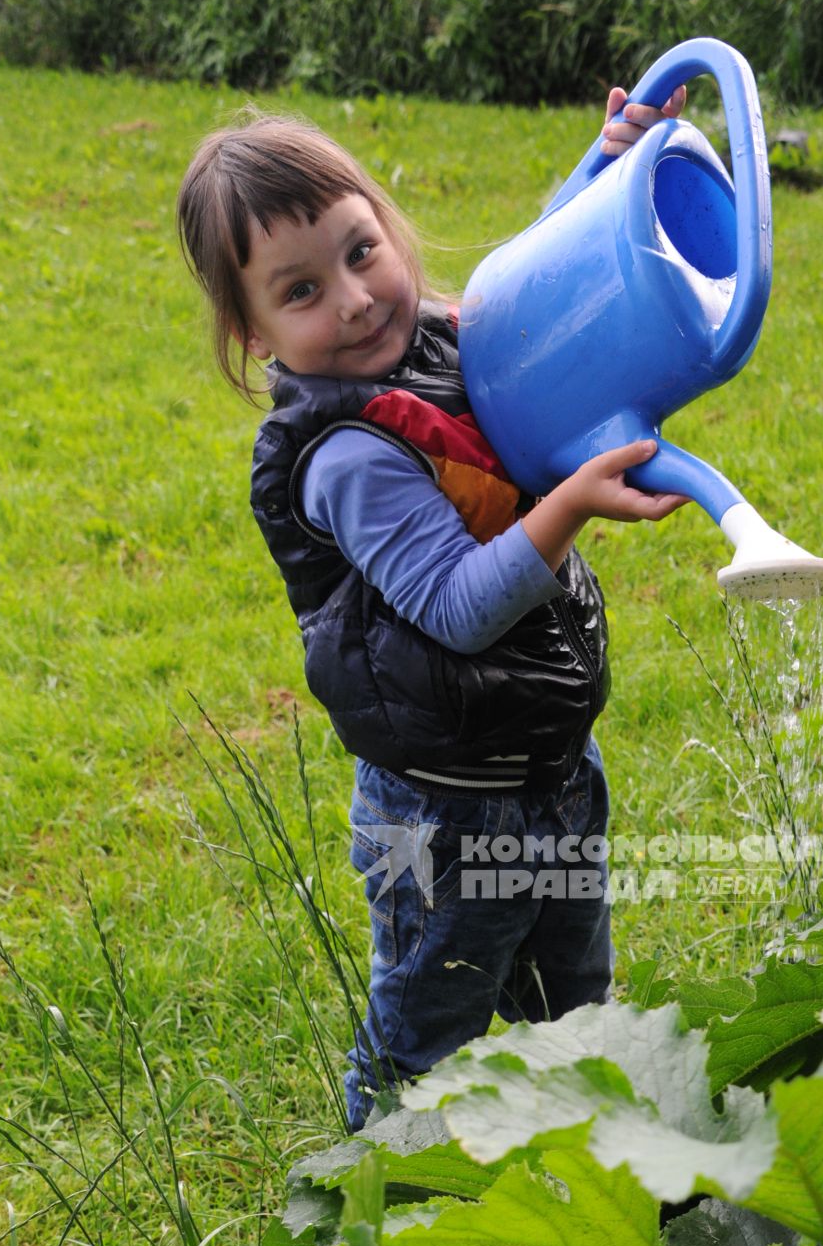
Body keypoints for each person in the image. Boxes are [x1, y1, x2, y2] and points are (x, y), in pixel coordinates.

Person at [176, 81, 688, 1131]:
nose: (357, 299)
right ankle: (369, 1226)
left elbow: (534, 281)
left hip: (550, 770)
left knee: (576, 1013)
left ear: (391, 230)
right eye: (303, 290)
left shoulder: (439, 336)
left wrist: (605, 161)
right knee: (424, 1041)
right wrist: (570, 509)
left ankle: (587, 1192)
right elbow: (458, 606)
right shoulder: (350, 454)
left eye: (363, 252)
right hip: (442, 815)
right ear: (254, 330)